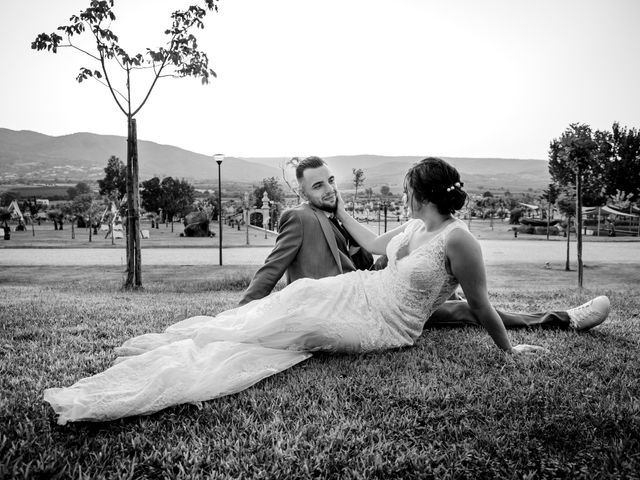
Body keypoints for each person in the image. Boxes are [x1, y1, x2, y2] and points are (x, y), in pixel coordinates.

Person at [43, 158, 605, 425]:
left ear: (422, 193)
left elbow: (480, 305)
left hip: (387, 323)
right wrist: (340, 211)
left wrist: (508, 351)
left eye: (408, 187)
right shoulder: (415, 227)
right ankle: (202, 336)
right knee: (295, 301)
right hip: (363, 292)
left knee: (301, 328)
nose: (404, 192)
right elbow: (374, 244)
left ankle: (562, 319)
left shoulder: (460, 241)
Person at [241, 156, 610, 331]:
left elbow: (368, 246)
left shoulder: (343, 212)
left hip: (388, 293)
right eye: (318, 185)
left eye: (331, 181)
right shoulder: (301, 217)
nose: (329, 189)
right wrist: (244, 311)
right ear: (302, 191)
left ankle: (566, 318)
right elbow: (271, 270)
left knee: (468, 307)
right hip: (351, 301)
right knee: (465, 308)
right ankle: (565, 319)